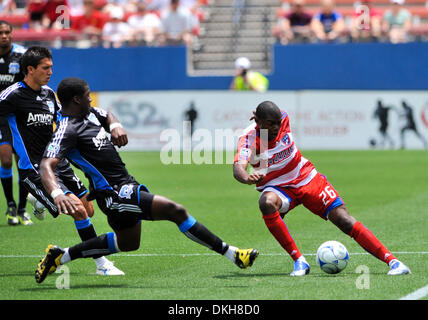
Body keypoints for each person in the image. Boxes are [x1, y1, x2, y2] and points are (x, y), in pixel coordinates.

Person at [34, 77, 259, 283]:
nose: (90, 99)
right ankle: (233, 254)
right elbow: (46, 164)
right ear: (76, 99)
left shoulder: (90, 113)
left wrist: (115, 125)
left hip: (126, 184)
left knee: (128, 244)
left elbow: (106, 114)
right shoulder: (67, 128)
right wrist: (57, 193)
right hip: (113, 193)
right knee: (175, 210)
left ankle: (60, 257)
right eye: (87, 95)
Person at [233, 100, 411, 276]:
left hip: (307, 177)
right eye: (271, 124)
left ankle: (393, 262)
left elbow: (271, 115)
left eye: (278, 124)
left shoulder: (282, 118)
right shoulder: (249, 139)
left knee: (344, 220)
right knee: (266, 203)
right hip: (278, 187)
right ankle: (299, 261)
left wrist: (264, 116)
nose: (276, 128)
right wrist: (248, 178)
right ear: (259, 122)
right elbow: (238, 168)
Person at [0, 46, 123, 275]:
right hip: (35, 169)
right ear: (30, 69)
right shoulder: (12, 95)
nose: (50, 72)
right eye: (46, 68)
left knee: (88, 210)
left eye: (51, 67)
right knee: (78, 210)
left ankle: (39, 200)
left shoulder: (48, 95)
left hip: (59, 163)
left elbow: (68, 117)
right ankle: (102, 265)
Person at [0, 20, 30, 226]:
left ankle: (23, 208)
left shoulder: (21, 55)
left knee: (23, 162)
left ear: (12, 34)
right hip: (0, 116)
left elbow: (30, 82)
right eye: (0, 33)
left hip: (19, 116)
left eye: (7, 32)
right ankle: (10, 205)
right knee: (6, 160)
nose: (4, 36)